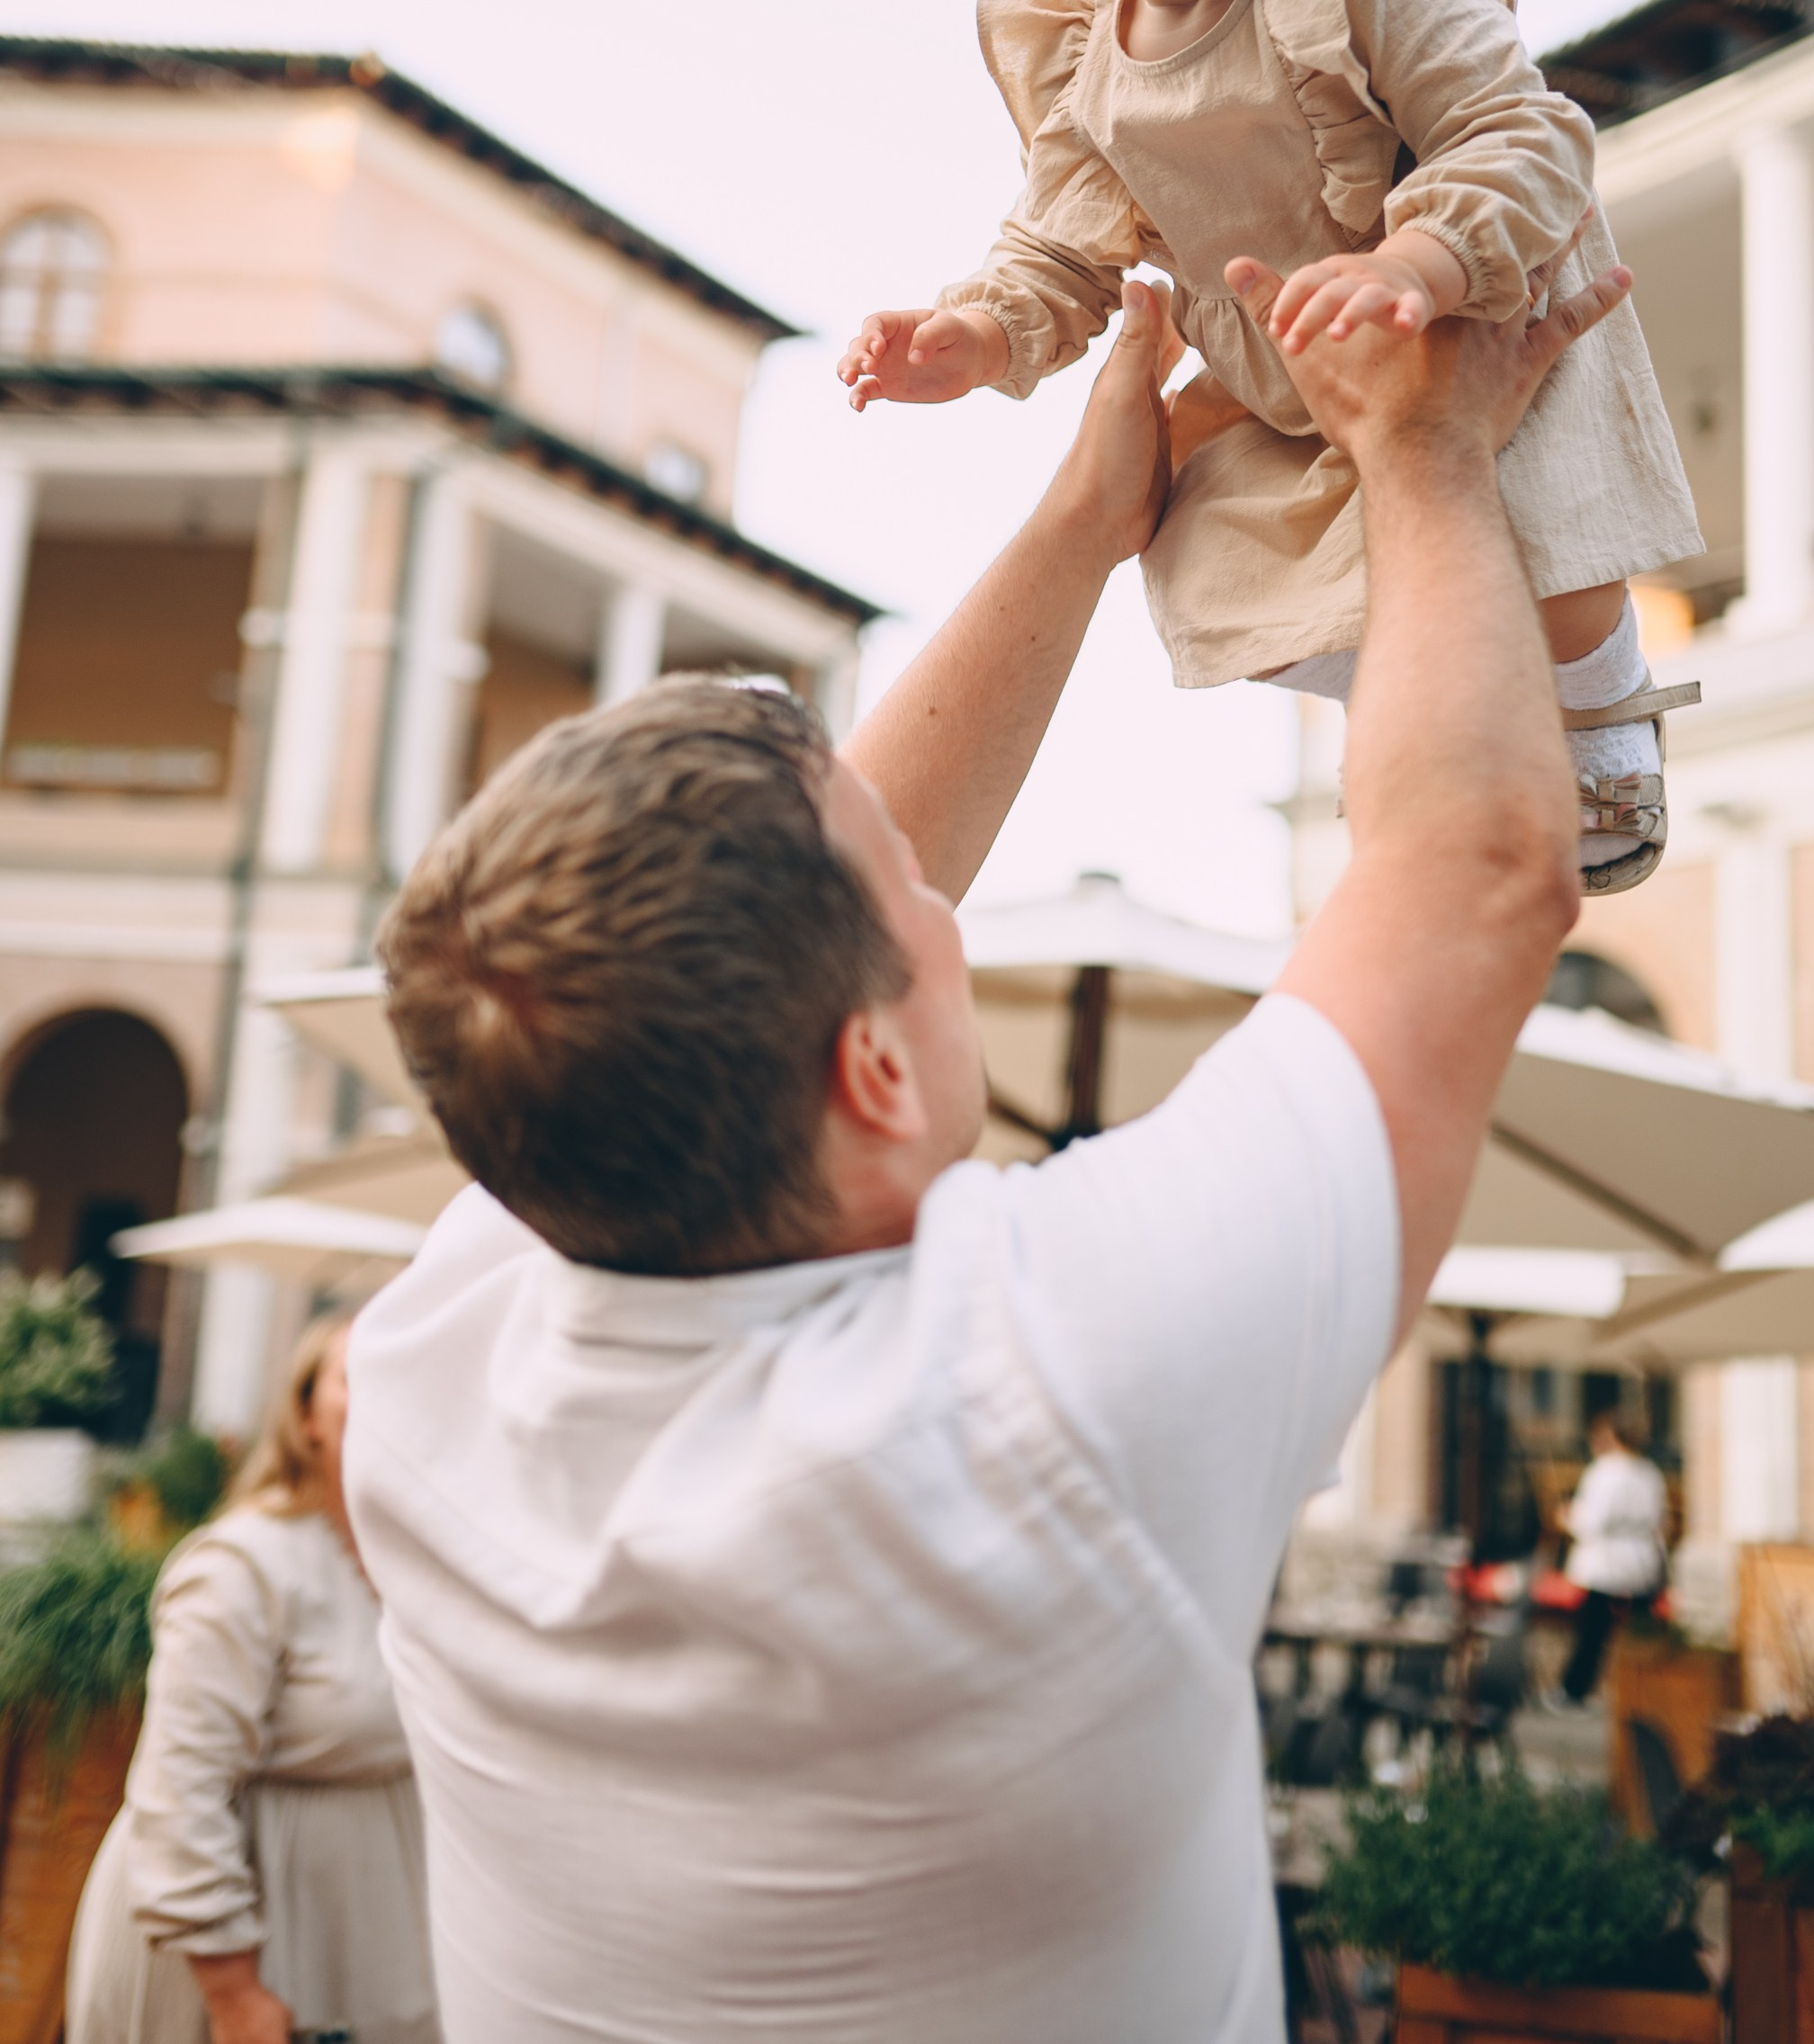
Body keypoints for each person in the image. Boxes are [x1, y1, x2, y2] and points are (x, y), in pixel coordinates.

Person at [346, 256, 1624, 2044]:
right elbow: (1478, 870)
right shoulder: (1054, 1393)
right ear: (869, 1073)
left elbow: (776, 924)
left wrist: (1086, 524)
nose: (948, 911)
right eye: (917, 908)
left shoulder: (440, 1361)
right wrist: (1430, 453)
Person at [838, 0, 1701, 893]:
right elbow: (1061, 250)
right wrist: (974, 335)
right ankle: (1432, 688)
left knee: (1544, 528)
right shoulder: (1087, 58)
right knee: (1205, 542)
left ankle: (1599, 699)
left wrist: (1416, 265)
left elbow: (1522, 132)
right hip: (1293, 383)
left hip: (1468, 307)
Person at [67, 1316, 441, 2044]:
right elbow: (179, 1788)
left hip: (372, 1942)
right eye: (357, 1377)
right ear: (305, 1414)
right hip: (244, 1954)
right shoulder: (244, 1566)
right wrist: (235, 1992)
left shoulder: (417, 1569)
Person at [1555, 1409, 1670, 1707]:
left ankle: (1575, 1690)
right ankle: (1645, 1692)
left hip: (1606, 1564)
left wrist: (1567, 1518)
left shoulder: (1604, 1472)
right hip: (1641, 1562)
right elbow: (1661, 1520)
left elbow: (1591, 1522)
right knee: (1641, 1635)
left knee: (1593, 1632)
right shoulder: (1650, 1473)